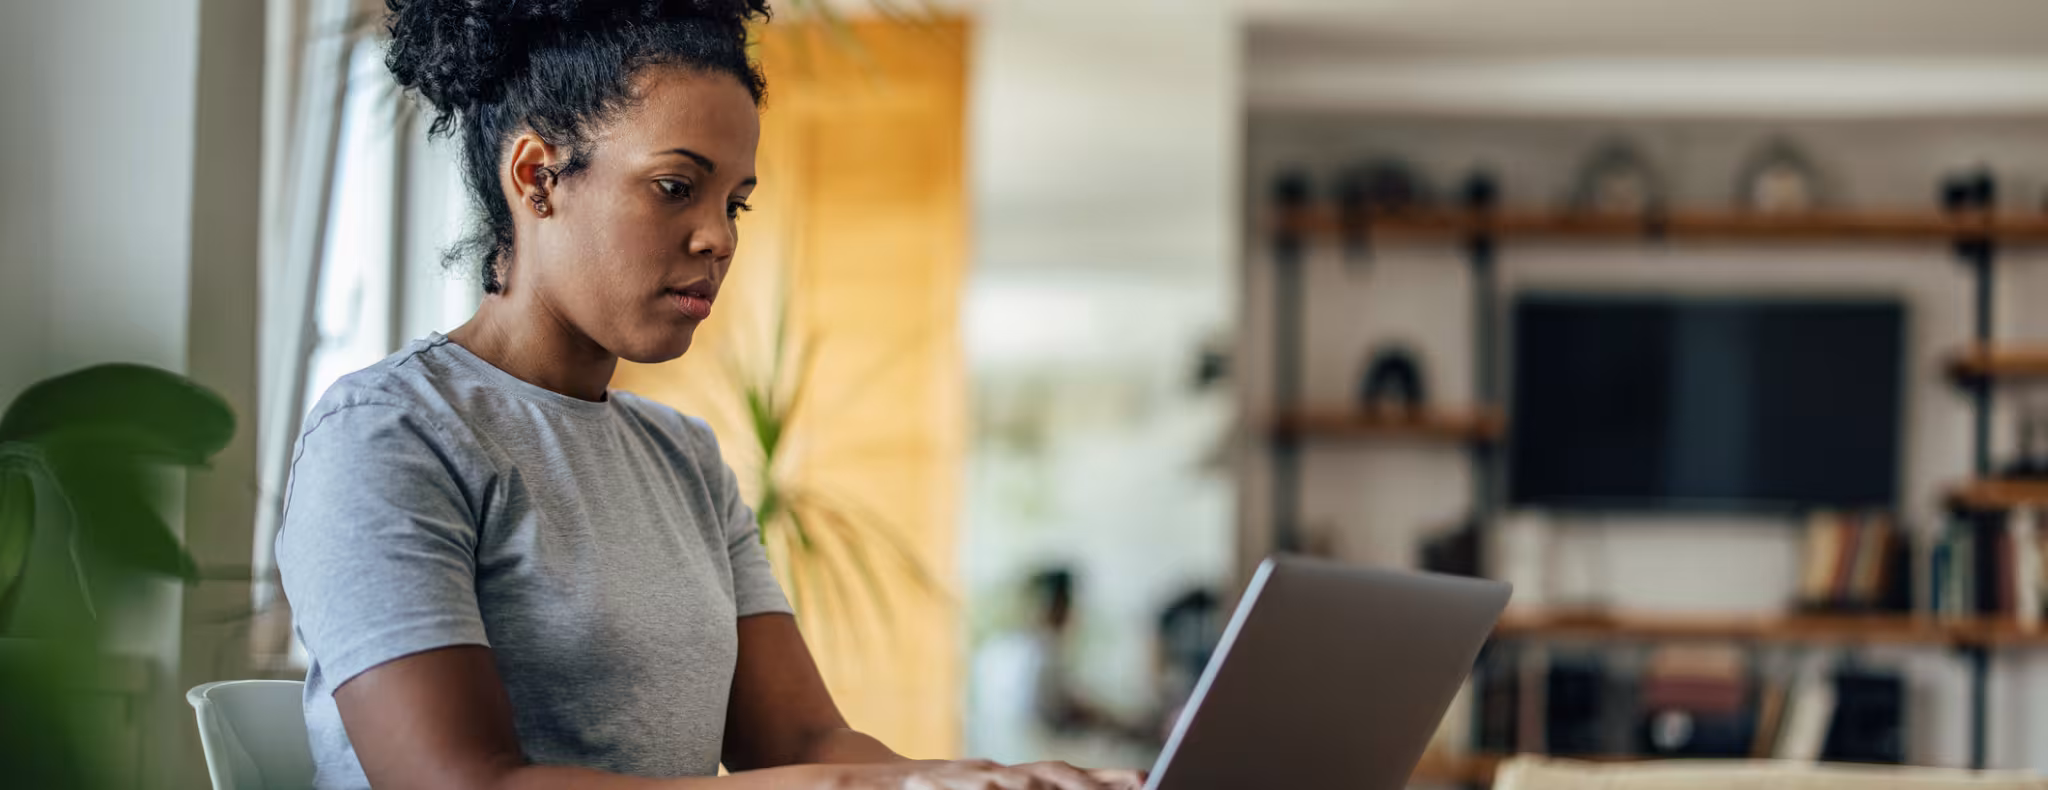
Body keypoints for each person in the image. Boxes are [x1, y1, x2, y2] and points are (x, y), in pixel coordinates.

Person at [274, 2, 1145, 789]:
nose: (717, 237)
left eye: (737, 203)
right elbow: (463, 785)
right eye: (675, 188)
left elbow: (799, 738)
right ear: (537, 176)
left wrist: (995, 779)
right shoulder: (392, 435)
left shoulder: (682, 457)